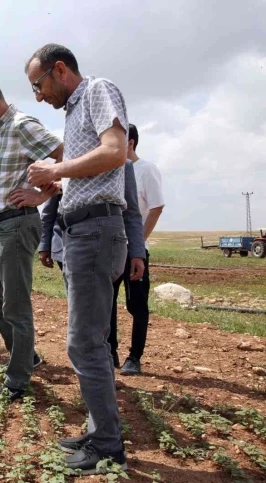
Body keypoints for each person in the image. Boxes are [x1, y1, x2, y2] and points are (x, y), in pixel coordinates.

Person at [26, 43, 129, 474]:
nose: (38, 96)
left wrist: (56, 171)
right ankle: (98, 428)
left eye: (39, 84)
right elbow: (90, 170)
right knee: (92, 340)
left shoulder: (97, 90)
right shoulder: (73, 111)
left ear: (60, 69)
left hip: (95, 231)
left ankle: (108, 444)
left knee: (83, 342)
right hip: (81, 230)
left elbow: (114, 151)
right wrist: (55, 188)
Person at [0, 81, 63, 403]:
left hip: (16, 225)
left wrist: (41, 195)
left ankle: (17, 381)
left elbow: (65, 156)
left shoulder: (22, 126)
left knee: (16, 305)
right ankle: (27, 354)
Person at [39, 162, 147, 371]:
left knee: (97, 311)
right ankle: (99, 365)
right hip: (65, 245)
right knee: (80, 312)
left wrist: (137, 253)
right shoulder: (66, 161)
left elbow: (132, 212)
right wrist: (45, 245)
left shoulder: (122, 165)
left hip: (104, 245)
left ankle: (101, 365)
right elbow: (50, 208)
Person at [113, 124, 165, 376]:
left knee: (137, 305)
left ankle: (134, 357)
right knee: (106, 303)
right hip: (111, 248)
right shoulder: (111, 170)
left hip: (134, 251)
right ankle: (109, 351)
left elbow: (156, 207)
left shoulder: (146, 169)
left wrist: (137, 243)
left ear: (130, 142)